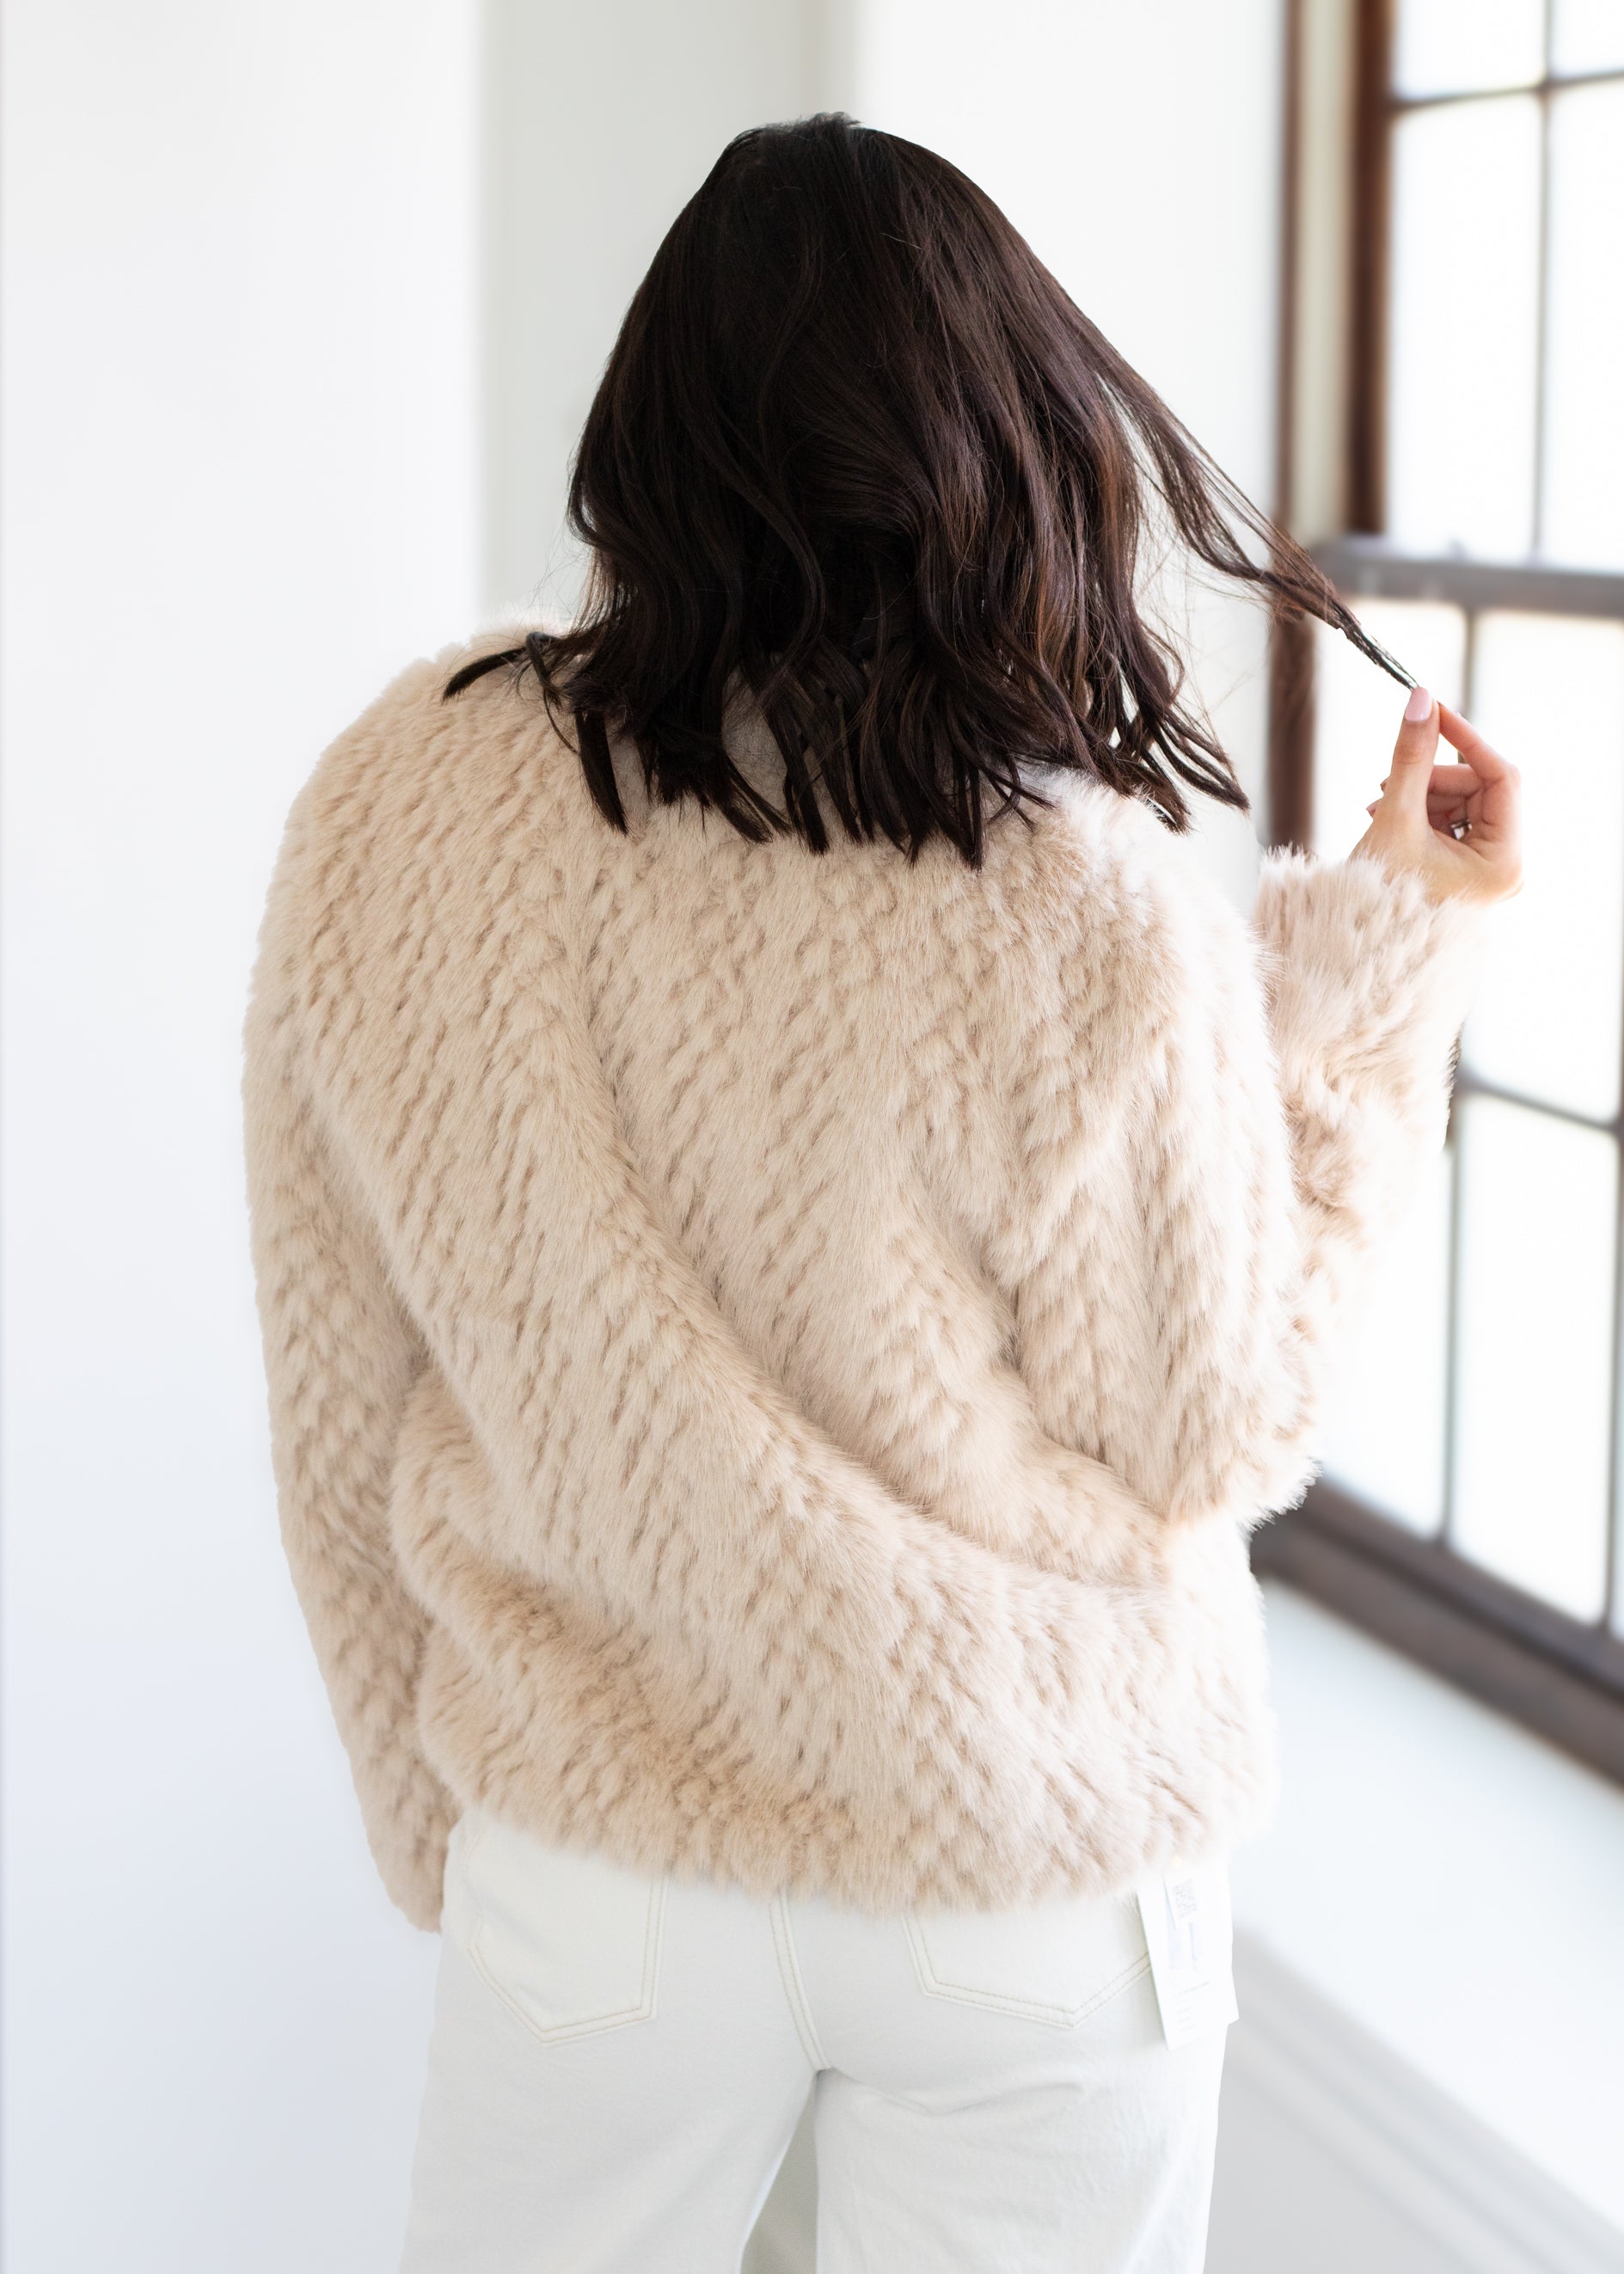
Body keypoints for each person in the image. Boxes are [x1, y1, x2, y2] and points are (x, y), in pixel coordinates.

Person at [242, 114, 1520, 2274]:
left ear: (645, 431)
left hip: (603, 1850)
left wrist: (444, 1824)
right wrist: (1387, 952)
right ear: (1012, 445)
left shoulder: (399, 804)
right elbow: (1214, 1419)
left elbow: (336, 1379)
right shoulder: (1081, 900)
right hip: (1029, 1847)